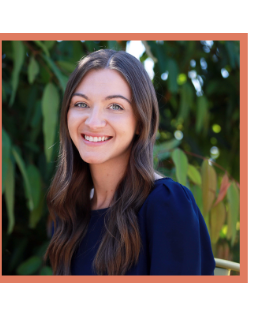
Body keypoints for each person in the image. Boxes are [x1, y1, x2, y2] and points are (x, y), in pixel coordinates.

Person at [45, 49, 214, 275]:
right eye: (81, 104)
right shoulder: (71, 210)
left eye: (115, 106)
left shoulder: (167, 205)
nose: (93, 122)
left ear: (141, 122)